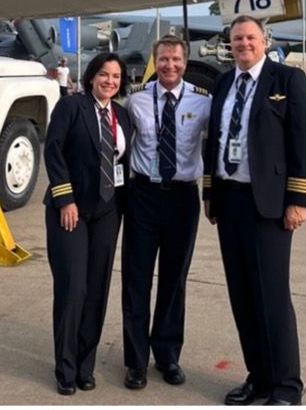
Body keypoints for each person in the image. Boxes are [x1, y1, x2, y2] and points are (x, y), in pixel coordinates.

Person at [202, 15, 306, 406]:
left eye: (250, 38)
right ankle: (258, 379)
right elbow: (213, 141)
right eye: (237, 39)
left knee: (271, 296)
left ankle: (285, 387)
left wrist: (298, 199)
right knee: (243, 295)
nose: (244, 44)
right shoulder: (222, 83)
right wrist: (210, 194)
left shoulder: (287, 81)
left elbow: (303, 139)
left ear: (264, 41)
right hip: (230, 199)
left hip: (267, 203)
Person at [121, 35, 211, 390]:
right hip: (143, 195)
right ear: (154, 62)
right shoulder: (136, 101)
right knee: (136, 280)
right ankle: (136, 361)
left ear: (185, 62)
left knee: (174, 280)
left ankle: (168, 355)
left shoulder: (204, 102)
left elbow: (217, 147)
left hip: (182, 199)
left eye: (175, 59)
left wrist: (214, 194)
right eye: (163, 60)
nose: (169, 66)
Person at [43, 52, 132, 396]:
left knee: (97, 289)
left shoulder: (121, 114)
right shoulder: (72, 107)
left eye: (116, 77)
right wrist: (65, 199)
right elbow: (54, 151)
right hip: (72, 210)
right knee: (73, 288)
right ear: (92, 76)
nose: (110, 81)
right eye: (104, 75)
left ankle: (85, 365)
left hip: (108, 211)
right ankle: (65, 368)